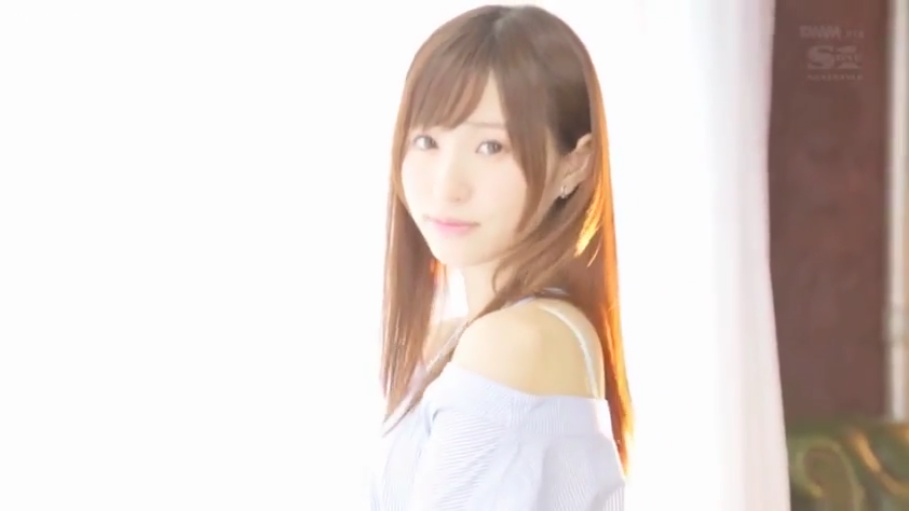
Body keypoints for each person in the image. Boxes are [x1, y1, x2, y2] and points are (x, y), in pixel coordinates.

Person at [370, 5, 632, 510]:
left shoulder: (516, 343)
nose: (447, 185)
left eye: (491, 147)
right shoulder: (459, 340)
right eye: (427, 140)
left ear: (574, 164)